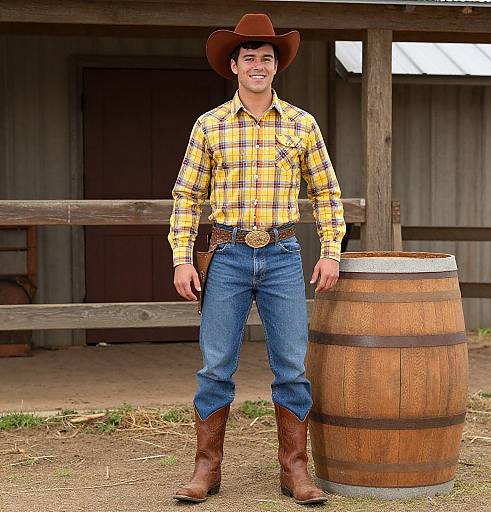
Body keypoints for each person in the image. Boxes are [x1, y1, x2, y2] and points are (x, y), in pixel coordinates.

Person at [168, 13, 345, 505]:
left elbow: (327, 192)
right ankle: (207, 470)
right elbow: (186, 195)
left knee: (291, 365)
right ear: (234, 65)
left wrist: (331, 250)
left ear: (276, 67)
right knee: (215, 366)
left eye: (267, 58)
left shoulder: (301, 125)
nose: (259, 65)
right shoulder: (211, 126)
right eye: (250, 57)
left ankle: (295, 473)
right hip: (225, 254)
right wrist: (183, 258)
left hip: (283, 255)